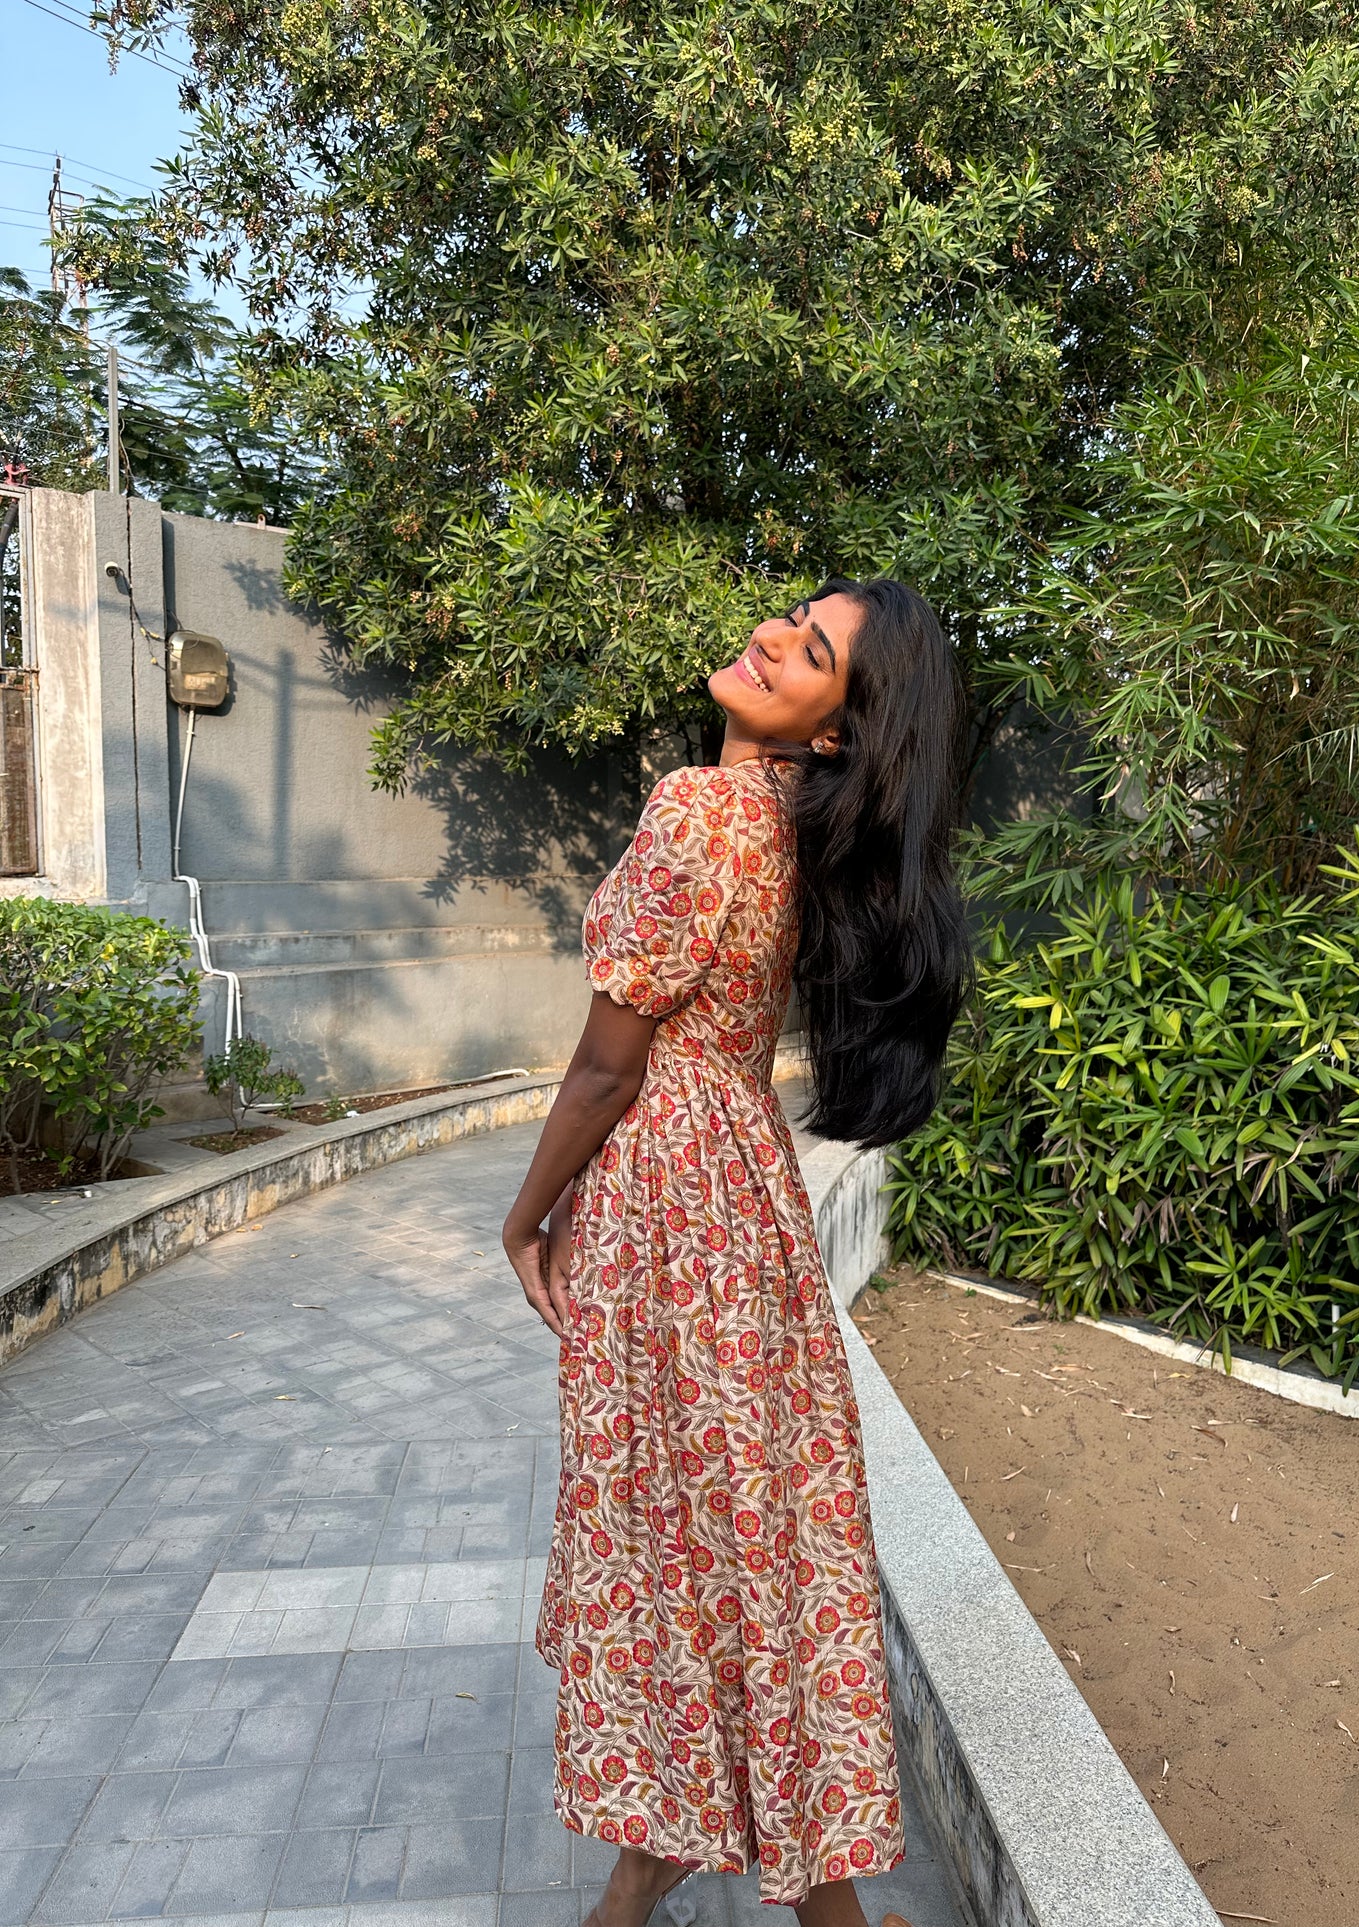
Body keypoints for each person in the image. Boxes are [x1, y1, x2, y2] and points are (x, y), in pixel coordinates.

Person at [503, 577, 968, 1927]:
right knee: (748, 1528)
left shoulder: (698, 809)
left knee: (674, 1527)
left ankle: (675, 1868)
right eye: (789, 620)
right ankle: (696, 1873)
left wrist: (523, 1216)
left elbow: (602, 1070)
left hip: (659, 1189)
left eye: (811, 652)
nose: (770, 638)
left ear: (835, 729)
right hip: (739, 1190)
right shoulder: (786, 832)